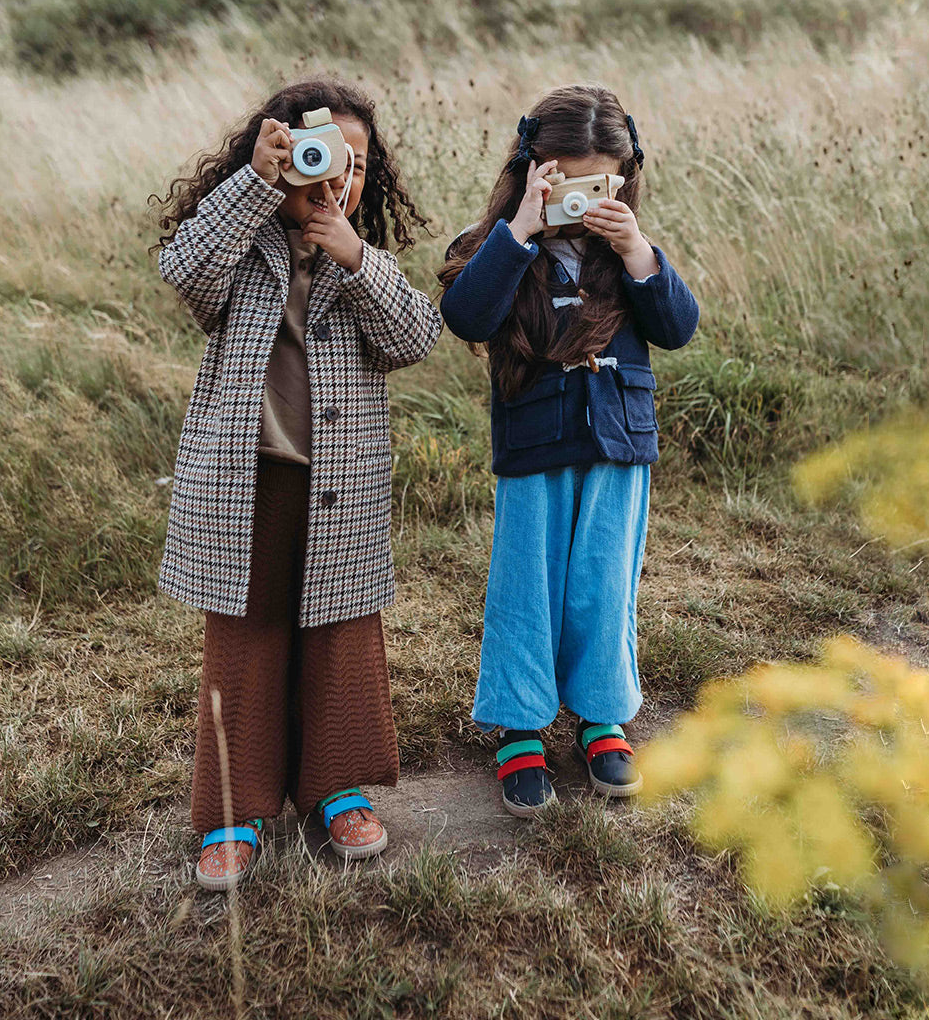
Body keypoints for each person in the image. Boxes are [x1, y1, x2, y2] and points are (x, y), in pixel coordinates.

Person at [154, 78, 441, 888]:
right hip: (244, 480)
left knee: (340, 636)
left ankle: (336, 790)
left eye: (349, 164)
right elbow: (185, 273)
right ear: (279, 154)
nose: (329, 178)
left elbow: (415, 336)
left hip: (340, 484)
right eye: (311, 157)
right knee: (244, 642)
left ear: (366, 175)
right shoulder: (242, 242)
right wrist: (254, 183)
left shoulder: (360, 260)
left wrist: (356, 257)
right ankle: (234, 812)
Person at [438, 84, 698, 817]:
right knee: (527, 586)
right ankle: (520, 725)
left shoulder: (627, 252)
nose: (583, 197)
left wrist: (637, 248)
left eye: (601, 181)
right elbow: (466, 315)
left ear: (624, 174)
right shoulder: (501, 244)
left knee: (603, 581)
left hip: (618, 442)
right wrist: (520, 228)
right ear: (532, 167)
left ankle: (601, 713)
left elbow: (678, 329)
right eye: (565, 178)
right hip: (534, 443)